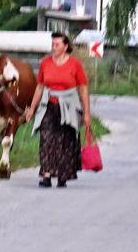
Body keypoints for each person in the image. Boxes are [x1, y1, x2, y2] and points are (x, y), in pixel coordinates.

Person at [22, 32, 92, 187]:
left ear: (65, 46)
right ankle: (46, 175)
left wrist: (86, 113)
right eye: (52, 44)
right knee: (46, 139)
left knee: (66, 141)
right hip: (49, 105)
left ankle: (62, 176)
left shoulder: (75, 64)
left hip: (68, 106)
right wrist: (32, 109)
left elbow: (83, 89)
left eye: (57, 44)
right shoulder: (45, 63)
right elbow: (40, 87)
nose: (53, 47)